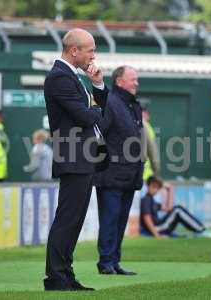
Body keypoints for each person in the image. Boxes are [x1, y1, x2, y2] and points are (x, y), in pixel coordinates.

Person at [43, 28, 108, 291]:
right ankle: (56, 276)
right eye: (90, 50)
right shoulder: (60, 78)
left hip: (82, 157)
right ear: (74, 51)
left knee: (74, 219)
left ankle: (65, 274)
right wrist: (93, 106)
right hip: (73, 157)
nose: (93, 56)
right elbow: (87, 117)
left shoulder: (73, 77)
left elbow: (97, 113)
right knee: (68, 219)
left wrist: (98, 86)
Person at [94, 66, 144, 276]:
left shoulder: (134, 106)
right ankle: (105, 262)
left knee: (120, 220)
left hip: (130, 174)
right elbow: (98, 134)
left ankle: (114, 261)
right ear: (119, 81)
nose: (136, 83)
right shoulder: (111, 102)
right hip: (111, 173)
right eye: (133, 79)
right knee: (110, 219)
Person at [141, 176, 211, 239]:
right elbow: (147, 218)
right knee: (178, 210)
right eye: (153, 187)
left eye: (157, 187)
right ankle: (201, 231)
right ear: (148, 186)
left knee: (177, 210)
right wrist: (157, 235)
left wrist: (170, 191)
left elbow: (169, 209)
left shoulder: (152, 200)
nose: (155, 190)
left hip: (160, 226)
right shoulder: (146, 200)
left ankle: (200, 230)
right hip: (157, 228)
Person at [142, 107, 160, 181]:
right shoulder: (148, 128)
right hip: (145, 174)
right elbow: (153, 151)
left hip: (143, 174)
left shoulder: (147, 128)